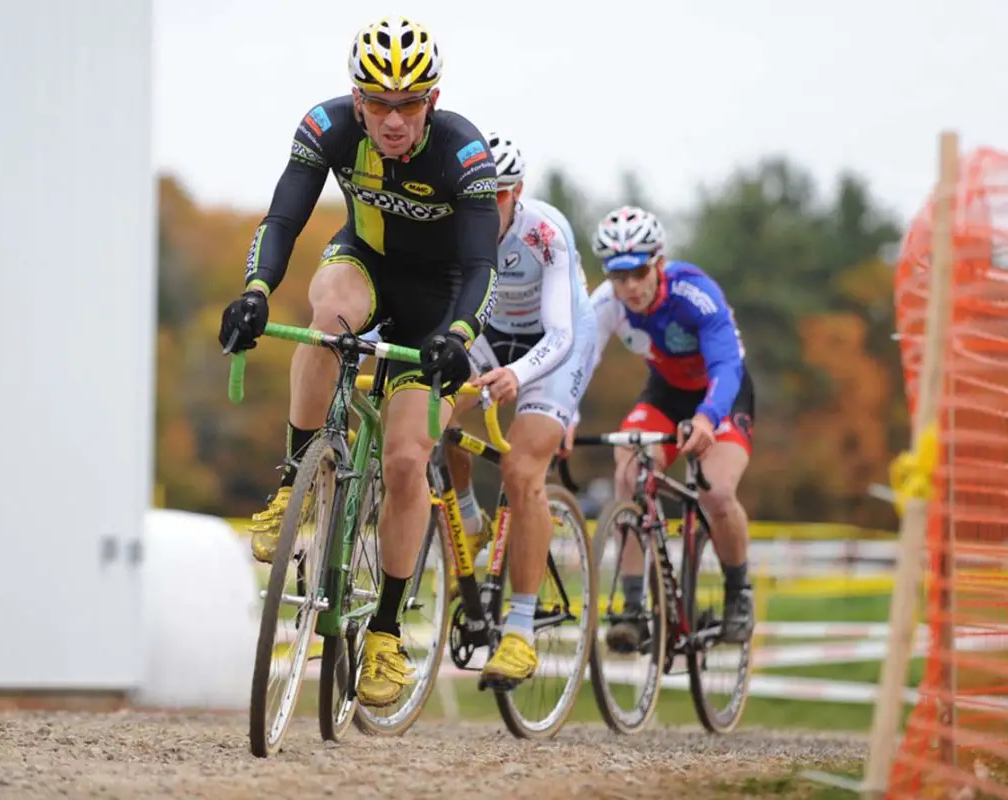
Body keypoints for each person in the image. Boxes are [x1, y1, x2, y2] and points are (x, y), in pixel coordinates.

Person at [218, 16, 500, 708]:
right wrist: (254, 291)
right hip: (365, 266)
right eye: (377, 103)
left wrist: (459, 333)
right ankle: (293, 481)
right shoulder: (327, 126)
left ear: (431, 100)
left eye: (409, 104)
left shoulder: (463, 152)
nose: (393, 120)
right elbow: (281, 218)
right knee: (326, 317)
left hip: (437, 308)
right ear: (356, 98)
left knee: (407, 461)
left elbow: (480, 263)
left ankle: (383, 634)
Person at [438, 131, 598, 685]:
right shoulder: (453, 226)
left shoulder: (545, 234)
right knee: (430, 414)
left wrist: (516, 375)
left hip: (555, 345)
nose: (486, 208)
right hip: (489, 334)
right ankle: (469, 517)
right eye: (479, 195)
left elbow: (559, 333)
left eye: (499, 196)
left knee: (521, 468)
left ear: (518, 193)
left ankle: (521, 632)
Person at [565, 205, 755, 649]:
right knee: (629, 475)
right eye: (618, 275)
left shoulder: (694, 293)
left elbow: (726, 364)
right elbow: (578, 363)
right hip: (666, 393)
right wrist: (563, 417)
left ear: (660, 263)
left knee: (717, 492)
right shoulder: (608, 304)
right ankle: (633, 607)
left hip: (722, 393)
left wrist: (708, 418)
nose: (629, 285)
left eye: (639, 272)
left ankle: (737, 591)